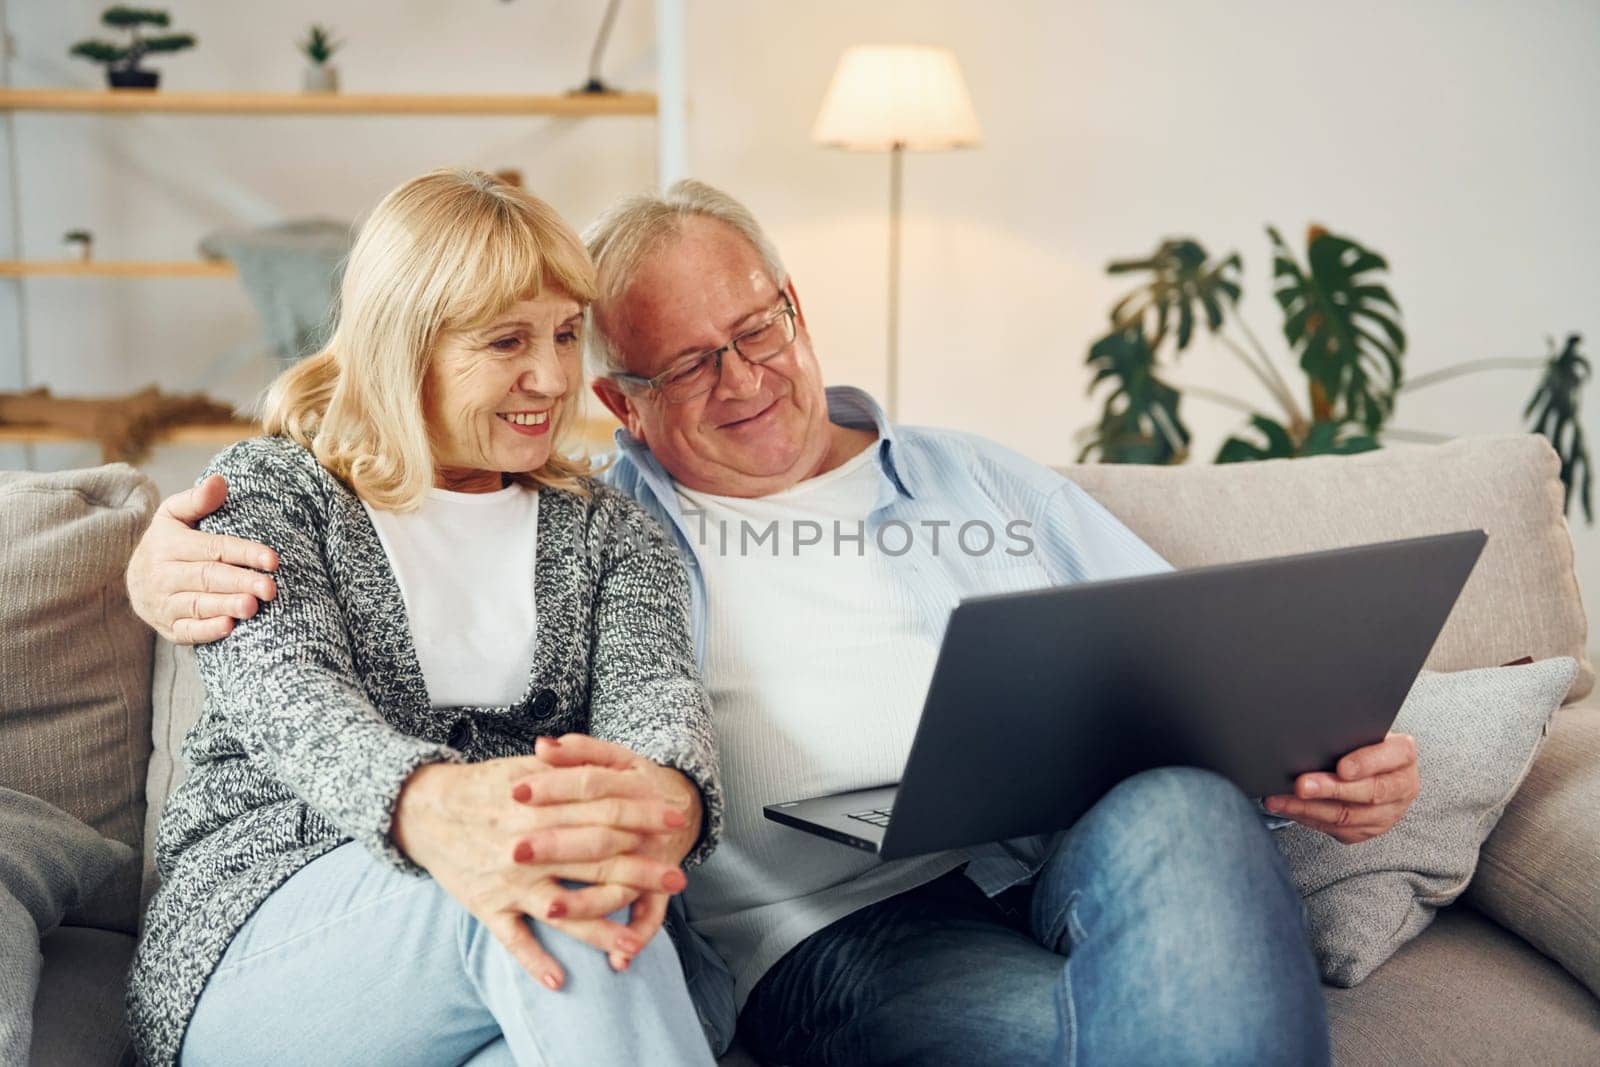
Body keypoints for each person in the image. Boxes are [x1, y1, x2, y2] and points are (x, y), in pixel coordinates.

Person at [128, 180, 1422, 1066]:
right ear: (624, 404)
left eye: (758, 328)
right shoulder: (511, 502)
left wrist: (1330, 745)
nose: (744, 378)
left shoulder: (965, 476)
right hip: (833, 924)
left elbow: (1217, 650)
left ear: (796, 306)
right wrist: (159, 558)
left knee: (1191, 793)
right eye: (687, 363)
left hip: (1066, 849)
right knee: (577, 866)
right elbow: (295, 689)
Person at [125, 169, 723, 1067]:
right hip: (270, 931)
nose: (554, 376)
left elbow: (659, 702)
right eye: (507, 340)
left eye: (566, 334)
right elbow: (291, 705)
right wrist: (437, 809)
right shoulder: (273, 492)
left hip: (527, 942)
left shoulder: (612, 533)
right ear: (405, 346)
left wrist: (663, 800)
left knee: (555, 944)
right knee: (552, 894)